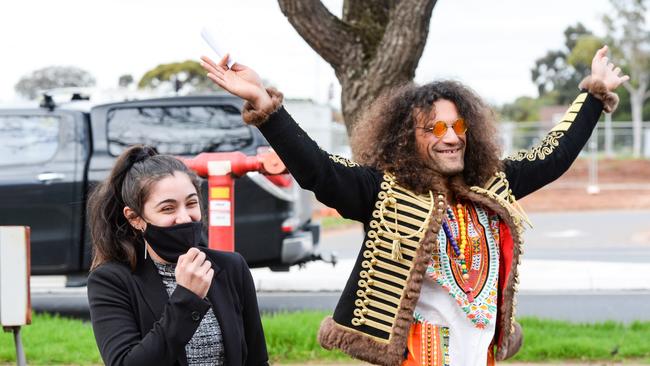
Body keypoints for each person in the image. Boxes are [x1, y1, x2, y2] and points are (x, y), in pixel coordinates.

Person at [199, 45, 628, 365]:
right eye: (434, 127)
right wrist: (266, 107)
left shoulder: (492, 183)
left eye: (458, 124)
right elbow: (318, 171)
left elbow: (552, 156)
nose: (451, 136)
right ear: (409, 137)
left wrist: (593, 97)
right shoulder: (380, 190)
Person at [86, 145, 268, 366]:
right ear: (135, 218)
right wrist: (187, 298)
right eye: (168, 209)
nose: (184, 218)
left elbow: (257, 360)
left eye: (191, 203)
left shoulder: (231, 267)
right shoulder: (111, 280)